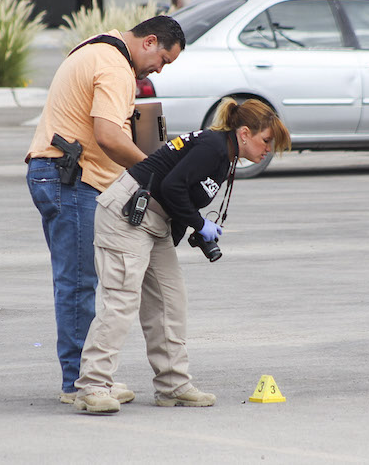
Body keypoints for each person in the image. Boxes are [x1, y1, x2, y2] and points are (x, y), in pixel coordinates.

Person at [74, 98, 292, 413]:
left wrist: (194, 225)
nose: (268, 149)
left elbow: (175, 193)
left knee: (170, 301)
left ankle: (173, 386)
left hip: (155, 220)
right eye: (266, 140)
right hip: (128, 215)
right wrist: (200, 224)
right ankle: (92, 387)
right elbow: (173, 185)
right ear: (244, 133)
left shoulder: (224, 153)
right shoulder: (213, 147)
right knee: (121, 301)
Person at [25, 16, 186, 405]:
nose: (159, 69)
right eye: (163, 59)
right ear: (149, 41)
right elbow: (109, 135)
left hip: (62, 174)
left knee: (79, 281)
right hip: (70, 178)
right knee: (79, 283)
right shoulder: (115, 66)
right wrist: (155, 170)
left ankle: (84, 377)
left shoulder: (97, 48)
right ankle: (79, 385)